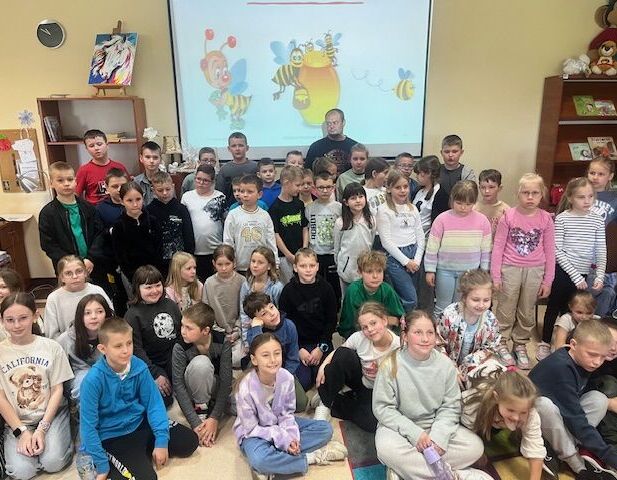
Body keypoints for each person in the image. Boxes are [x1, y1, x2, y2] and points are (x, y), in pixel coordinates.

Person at [373, 310, 489, 480]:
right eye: (417, 332)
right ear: (405, 336)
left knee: (475, 447)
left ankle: (407, 471)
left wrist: (439, 437)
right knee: (386, 448)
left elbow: (451, 406)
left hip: (434, 425)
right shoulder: (390, 365)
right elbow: (383, 409)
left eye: (430, 333)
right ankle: (449, 474)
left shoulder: (445, 365)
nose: (425, 339)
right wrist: (415, 434)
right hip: (400, 428)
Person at [80, 317, 198, 479]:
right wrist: (101, 464)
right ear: (103, 349)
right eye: (118, 346)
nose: (126, 350)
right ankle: (130, 460)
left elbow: (154, 404)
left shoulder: (138, 366)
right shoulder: (92, 380)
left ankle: (141, 455)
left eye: (129, 343)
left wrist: (161, 441)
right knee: (147, 478)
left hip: (140, 424)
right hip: (114, 436)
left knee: (189, 442)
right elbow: (88, 427)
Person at [234, 333, 347, 479]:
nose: (273, 360)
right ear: (254, 359)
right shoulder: (245, 388)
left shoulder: (286, 377)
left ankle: (275, 463)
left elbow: (287, 415)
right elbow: (251, 428)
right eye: (265, 355)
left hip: (279, 424)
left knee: (325, 429)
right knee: (259, 459)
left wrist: (291, 438)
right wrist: (282, 439)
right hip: (255, 433)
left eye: (277, 353)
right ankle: (312, 457)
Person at [530, 320, 617, 479]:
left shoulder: (583, 361)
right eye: (592, 354)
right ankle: (577, 464)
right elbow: (576, 419)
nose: (597, 362)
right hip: (534, 426)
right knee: (543, 404)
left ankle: (556, 449)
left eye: (603, 357)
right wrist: (610, 456)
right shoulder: (561, 367)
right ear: (573, 345)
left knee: (599, 399)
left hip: (560, 419)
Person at [0, 293, 74, 480]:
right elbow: (1, 398)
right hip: (18, 420)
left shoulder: (52, 347)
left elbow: (57, 390)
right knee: (22, 472)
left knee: (53, 462)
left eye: (23, 318)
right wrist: (21, 432)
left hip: (51, 415)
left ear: (35, 316)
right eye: (10, 320)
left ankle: (63, 435)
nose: (17, 325)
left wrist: (42, 429)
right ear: (2, 321)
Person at [491, 173, 555, 368]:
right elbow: (498, 247)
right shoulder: (508, 216)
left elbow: (550, 250)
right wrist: (496, 276)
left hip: (535, 270)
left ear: (541, 195)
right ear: (518, 194)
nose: (530, 197)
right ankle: (501, 342)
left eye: (535, 193)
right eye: (525, 193)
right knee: (506, 306)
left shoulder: (545, 219)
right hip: (510, 268)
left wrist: (548, 281)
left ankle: (520, 343)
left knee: (527, 309)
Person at [540, 177, 606, 361]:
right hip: (563, 271)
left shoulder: (597, 220)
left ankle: (566, 342)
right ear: (570, 198)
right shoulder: (562, 219)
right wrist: (575, 275)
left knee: (574, 310)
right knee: (554, 306)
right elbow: (557, 251)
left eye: (590, 196)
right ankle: (545, 342)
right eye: (581, 197)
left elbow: (601, 250)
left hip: (584, 274)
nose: (587, 201)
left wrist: (600, 275)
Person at [314, 301, 399, 432]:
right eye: (364, 327)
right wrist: (323, 365)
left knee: (373, 422)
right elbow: (338, 352)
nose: (370, 329)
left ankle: (335, 401)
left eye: (373, 323)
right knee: (343, 354)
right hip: (361, 381)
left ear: (384, 320)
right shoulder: (359, 337)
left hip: (381, 391)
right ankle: (325, 401)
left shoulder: (399, 347)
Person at [462, 363, 545, 480]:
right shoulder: (474, 404)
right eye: (511, 410)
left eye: (523, 412)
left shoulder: (530, 412)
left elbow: (536, 448)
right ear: (496, 398)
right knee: (475, 451)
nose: (516, 417)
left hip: (498, 390)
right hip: (474, 374)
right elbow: (466, 428)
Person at [424, 180, 492, 319]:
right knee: (442, 306)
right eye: (459, 203)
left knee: (461, 306)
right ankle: (439, 331)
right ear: (452, 199)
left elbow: (486, 249)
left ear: (474, 202)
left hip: (469, 272)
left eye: (468, 204)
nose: (463, 207)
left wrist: (484, 270)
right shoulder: (442, 219)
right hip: (445, 270)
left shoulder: (482, 221)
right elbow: (432, 246)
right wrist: (430, 270)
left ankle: (458, 331)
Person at [172, 303, 232, 447]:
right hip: (192, 390)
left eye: (189, 328)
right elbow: (178, 386)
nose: (183, 331)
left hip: (214, 385)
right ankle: (201, 409)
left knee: (238, 404)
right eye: (182, 325)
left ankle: (211, 408)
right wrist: (196, 423)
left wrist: (215, 418)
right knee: (201, 364)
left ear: (205, 331)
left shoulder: (222, 342)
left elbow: (226, 381)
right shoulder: (180, 346)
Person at [279, 248, 337, 391]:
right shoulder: (288, 291)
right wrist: (298, 349)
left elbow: (331, 321)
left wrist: (321, 348)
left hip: (321, 342)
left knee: (324, 380)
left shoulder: (327, 288)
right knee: (303, 383)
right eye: (303, 266)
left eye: (311, 265)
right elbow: (284, 323)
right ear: (295, 267)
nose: (308, 270)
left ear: (317, 266)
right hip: (297, 343)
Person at [124, 265, 182, 407]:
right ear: (138, 289)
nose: (155, 290)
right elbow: (136, 350)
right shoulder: (132, 315)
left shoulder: (170, 304)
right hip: (152, 364)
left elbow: (181, 333)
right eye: (148, 287)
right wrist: (154, 373)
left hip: (175, 358)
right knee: (164, 399)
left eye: (158, 285)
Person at [243, 292, 308, 412]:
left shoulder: (289, 326)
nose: (272, 313)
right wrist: (257, 328)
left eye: (271, 307)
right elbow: (257, 355)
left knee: (301, 403)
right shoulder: (254, 332)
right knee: (257, 405)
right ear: (256, 319)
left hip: (283, 371)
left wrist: (282, 379)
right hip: (262, 373)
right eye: (264, 314)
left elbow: (293, 358)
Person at [437, 269, 500, 384]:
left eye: (486, 300)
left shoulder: (491, 320)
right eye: (476, 300)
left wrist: (470, 365)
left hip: (474, 365)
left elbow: (491, 347)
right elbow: (438, 342)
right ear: (464, 297)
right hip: (446, 365)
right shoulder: (449, 315)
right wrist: (451, 368)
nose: (481, 305)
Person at [39, 161, 102, 274]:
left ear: (75, 181)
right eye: (60, 180)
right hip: (66, 267)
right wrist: (71, 263)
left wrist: (91, 258)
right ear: (51, 183)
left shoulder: (88, 208)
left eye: (70, 179)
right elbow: (48, 244)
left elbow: (99, 235)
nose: (66, 184)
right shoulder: (47, 213)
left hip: (92, 264)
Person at [377, 169, 425, 312]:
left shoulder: (412, 208)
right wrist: (406, 262)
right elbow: (386, 242)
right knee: (410, 298)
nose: (403, 190)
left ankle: (408, 322)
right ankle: (402, 322)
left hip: (414, 254)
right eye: (398, 187)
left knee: (415, 295)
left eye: (405, 186)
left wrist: (416, 260)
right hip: (396, 257)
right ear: (389, 188)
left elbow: (420, 236)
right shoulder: (384, 210)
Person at [57, 293, 113, 400]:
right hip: (78, 381)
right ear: (80, 316)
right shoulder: (65, 339)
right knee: (87, 384)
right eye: (87, 313)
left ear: (107, 314)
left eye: (99, 312)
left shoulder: (113, 335)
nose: (94, 317)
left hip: (108, 375)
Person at [338, 250, 405, 339]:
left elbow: (398, 320)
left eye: (379, 271)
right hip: (359, 335)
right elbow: (349, 324)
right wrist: (382, 320)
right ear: (360, 272)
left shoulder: (387, 290)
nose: (375, 276)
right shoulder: (353, 291)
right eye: (369, 272)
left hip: (384, 334)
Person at [412, 155, 449, 315]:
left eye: (421, 173)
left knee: (426, 285)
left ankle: (426, 315)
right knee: (416, 283)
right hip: (414, 242)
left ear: (429, 174)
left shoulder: (441, 194)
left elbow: (439, 222)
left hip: (428, 244)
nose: (418, 177)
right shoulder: (418, 191)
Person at [43, 255, 113, 340]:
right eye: (68, 273)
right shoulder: (54, 298)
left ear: (85, 273)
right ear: (61, 278)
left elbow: (111, 320)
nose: (75, 276)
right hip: (67, 344)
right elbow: (52, 335)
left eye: (79, 271)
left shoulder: (97, 291)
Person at [111, 182, 164, 287]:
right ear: (122, 201)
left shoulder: (152, 221)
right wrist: (133, 278)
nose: (135, 204)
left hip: (155, 273)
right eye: (129, 200)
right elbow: (121, 256)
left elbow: (159, 248)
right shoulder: (118, 226)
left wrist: (156, 272)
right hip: (133, 278)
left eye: (138, 199)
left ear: (143, 198)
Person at [223, 174, 278, 273]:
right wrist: (230, 262)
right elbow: (228, 241)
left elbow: (271, 241)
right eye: (242, 191)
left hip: (261, 267)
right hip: (240, 267)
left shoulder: (265, 215)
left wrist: (276, 264)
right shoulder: (233, 215)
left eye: (250, 192)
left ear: (259, 194)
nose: (245, 195)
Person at [181, 164, 226, 281]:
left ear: (212, 182)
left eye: (205, 181)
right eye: (198, 179)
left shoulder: (220, 197)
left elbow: (225, 221)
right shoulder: (187, 197)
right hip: (194, 250)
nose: (201, 183)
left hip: (215, 248)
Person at [146, 171, 195, 277]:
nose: (164, 193)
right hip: (158, 264)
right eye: (160, 190)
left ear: (173, 187)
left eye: (168, 189)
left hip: (180, 262)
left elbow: (188, 235)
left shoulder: (181, 209)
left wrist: (189, 258)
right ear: (153, 190)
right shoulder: (148, 211)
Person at [203, 245, 245, 367]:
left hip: (238, 333)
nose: (224, 268)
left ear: (234, 263)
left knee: (238, 359)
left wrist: (236, 332)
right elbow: (206, 312)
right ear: (214, 264)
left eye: (227, 264)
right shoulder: (209, 283)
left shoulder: (242, 281)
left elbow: (245, 311)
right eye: (220, 264)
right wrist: (221, 334)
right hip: (216, 334)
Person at [95, 168, 130, 314]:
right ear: (107, 187)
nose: (119, 189)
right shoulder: (101, 209)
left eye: (122, 185)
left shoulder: (134, 203)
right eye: (114, 186)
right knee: (118, 296)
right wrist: (113, 231)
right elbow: (99, 235)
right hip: (112, 262)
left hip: (132, 260)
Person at [304, 172, 342, 305]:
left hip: (333, 253)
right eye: (321, 187)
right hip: (316, 253)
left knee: (334, 286)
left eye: (328, 187)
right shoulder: (309, 208)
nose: (325, 191)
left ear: (333, 187)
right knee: (317, 285)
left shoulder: (339, 208)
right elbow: (307, 229)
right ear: (314, 188)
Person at [333, 182, 376, 294]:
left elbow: (371, 241)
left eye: (361, 196)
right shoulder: (340, 223)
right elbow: (337, 247)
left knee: (365, 297)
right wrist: (341, 266)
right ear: (346, 202)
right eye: (353, 198)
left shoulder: (371, 220)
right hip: (346, 269)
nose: (358, 200)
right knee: (348, 298)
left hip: (365, 266)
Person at [588, 157, 617, 316]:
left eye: (601, 174)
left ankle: (591, 324)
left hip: (598, 254)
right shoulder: (579, 192)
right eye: (592, 173)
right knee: (575, 293)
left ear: (610, 176)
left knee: (597, 291)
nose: (595, 177)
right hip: (576, 251)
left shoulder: (614, 198)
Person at [269, 166, 308, 284]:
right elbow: (275, 234)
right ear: (286, 183)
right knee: (289, 285)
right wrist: (288, 254)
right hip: (285, 256)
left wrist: (304, 248)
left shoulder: (299, 204)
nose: (300, 188)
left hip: (300, 253)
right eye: (297, 185)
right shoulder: (275, 208)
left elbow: (304, 227)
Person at [75, 129, 129, 205]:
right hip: (95, 209)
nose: (96, 148)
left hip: (119, 207)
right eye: (91, 146)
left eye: (99, 144)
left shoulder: (119, 167)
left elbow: (129, 189)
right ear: (87, 149)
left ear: (107, 145)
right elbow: (76, 195)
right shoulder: (84, 170)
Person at [305, 109, 357, 173]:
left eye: (335, 123)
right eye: (328, 123)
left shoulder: (354, 146)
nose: (331, 126)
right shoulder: (315, 147)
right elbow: (308, 172)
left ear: (343, 122)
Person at [215, 132, 258, 205]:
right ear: (229, 149)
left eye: (241, 145)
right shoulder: (224, 169)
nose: (237, 149)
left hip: (253, 207)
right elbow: (220, 193)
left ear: (247, 148)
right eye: (234, 146)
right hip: (231, 208)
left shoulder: (256, 167)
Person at [474, 169, 510, 237]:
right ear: (479, 188)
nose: (487, 191)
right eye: (483, 187)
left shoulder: (506, 210)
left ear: (499, 188)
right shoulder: (474, 209)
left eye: (491, 187)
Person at [133, 141, 163, 206]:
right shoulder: (136, 182)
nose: (151, 161)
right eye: (147, 157)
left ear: (160, 159)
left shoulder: (167, 179)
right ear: (141, 158)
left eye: (155, 157)